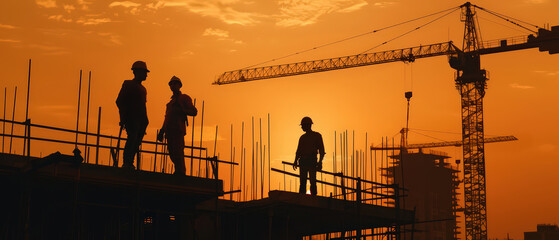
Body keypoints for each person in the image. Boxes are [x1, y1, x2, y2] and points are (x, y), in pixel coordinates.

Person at [157, 76, 197, 175]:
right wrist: (162, 131)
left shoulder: (184, 98)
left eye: (175, 83)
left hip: (178, 129)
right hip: (169, 131)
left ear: (179, 85)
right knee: (171, 153)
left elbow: (194, 111)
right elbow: (167, 118)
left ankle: (181, 172)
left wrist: (181, 110)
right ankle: (178, 171)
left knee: (178, 152)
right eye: (171, 84)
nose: (173, 85)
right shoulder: (170, 103)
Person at [116, 61, 150, 170]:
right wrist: (123, 117)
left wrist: (146, 121)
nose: (146, 75)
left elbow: (143, 106)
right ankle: (127, 162)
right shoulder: (128, 84)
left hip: (141, 121)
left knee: (136, 142)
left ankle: (130, 162)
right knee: (132, 139)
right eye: (144, 72)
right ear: (136, 72)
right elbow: (119, 101)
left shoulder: (143, 89)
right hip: (131, 119)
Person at [293, 116, 325, 196]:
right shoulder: (302, 138)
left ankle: (313, 197)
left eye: (303, 126)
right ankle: (302, 197)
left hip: (311, 161)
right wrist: (295, 161)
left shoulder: (316, 136)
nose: (302, 127)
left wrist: (320, 162)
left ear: (308, 125)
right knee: (303, 182)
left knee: (312, 181)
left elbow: (322, 151)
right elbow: (298, 151)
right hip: (304, 161)